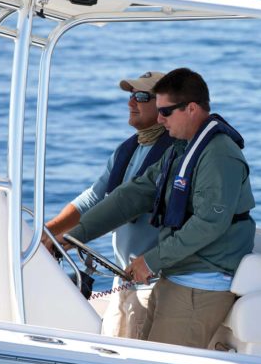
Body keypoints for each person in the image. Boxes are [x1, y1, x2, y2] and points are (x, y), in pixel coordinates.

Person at [64, 68, 255, 349]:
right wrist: (76, 234)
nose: (160, 117)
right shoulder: (181, 149)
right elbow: (134, 194)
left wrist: (151, 261)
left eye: (165, 111)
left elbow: (208, 223)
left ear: (191, 108)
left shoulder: (219, 155)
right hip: (177, 277)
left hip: (200, 285)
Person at [43, 71, 173, 339]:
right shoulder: (127, 150)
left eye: (140, 96)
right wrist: (48, 233)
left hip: (154, 282)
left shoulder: (176, 155)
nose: (131, 102)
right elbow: (93, 199)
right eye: (130, 95)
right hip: (123, 278)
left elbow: (123, 205)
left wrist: (72, 236)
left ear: (163, 106)